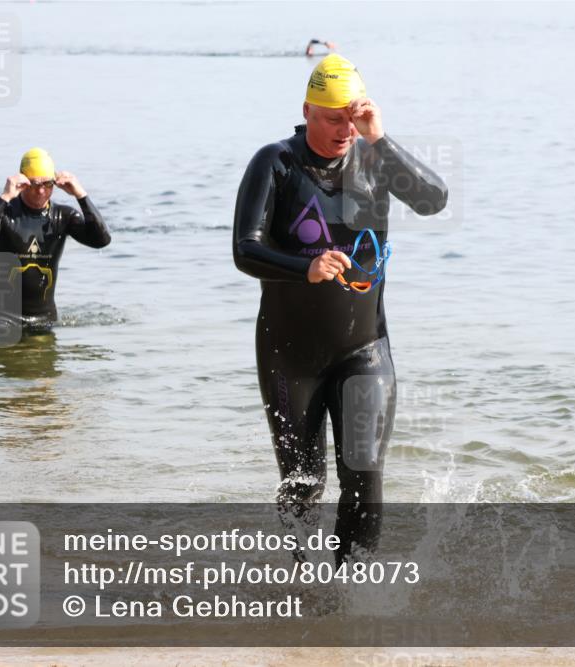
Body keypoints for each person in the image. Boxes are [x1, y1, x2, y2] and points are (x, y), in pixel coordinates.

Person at [233, 54, 447, 565]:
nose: (343, 129)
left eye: (352, 118)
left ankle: (356, 592)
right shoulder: (275, 163)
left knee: (364, 469)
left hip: (364, 348)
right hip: (290, 354)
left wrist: (380, 138)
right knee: (304, 482)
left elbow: (434, 199)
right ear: (308, 110)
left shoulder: (375, 158)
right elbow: (245, 249)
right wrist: (302, 268)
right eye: (333, 118)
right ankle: (303, 586)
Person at [0, 148, 111, 337]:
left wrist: (81, 195)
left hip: (44, 317)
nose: (41, 191)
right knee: (11, 365)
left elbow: (101, 240)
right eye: (35, 185)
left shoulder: (63, 216)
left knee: (45, 366)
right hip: (0, 316)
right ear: (23, 183)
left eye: (48, 184)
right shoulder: (4, 213)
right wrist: (5, 197)